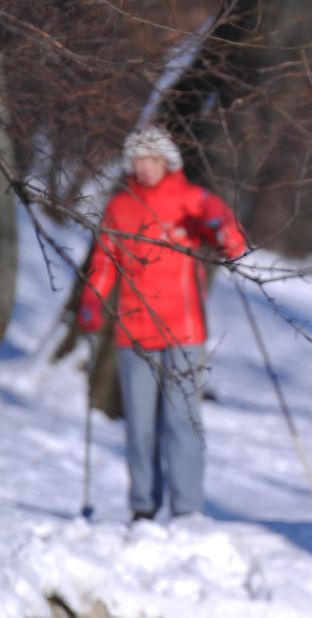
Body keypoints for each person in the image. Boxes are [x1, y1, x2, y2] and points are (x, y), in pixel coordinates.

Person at [77, 125, 247, 522]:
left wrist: (222, 228)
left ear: (168, 161)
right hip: (133, 332)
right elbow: (105, 261)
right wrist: (91, 300)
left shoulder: (193, 200)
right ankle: (143, 507)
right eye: (138, 159)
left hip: (184, 331)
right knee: (139, 426)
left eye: (153, 159)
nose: (146, 167)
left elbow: (233, 243)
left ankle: (187, 510)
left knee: (181, 422)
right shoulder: (121, 206)